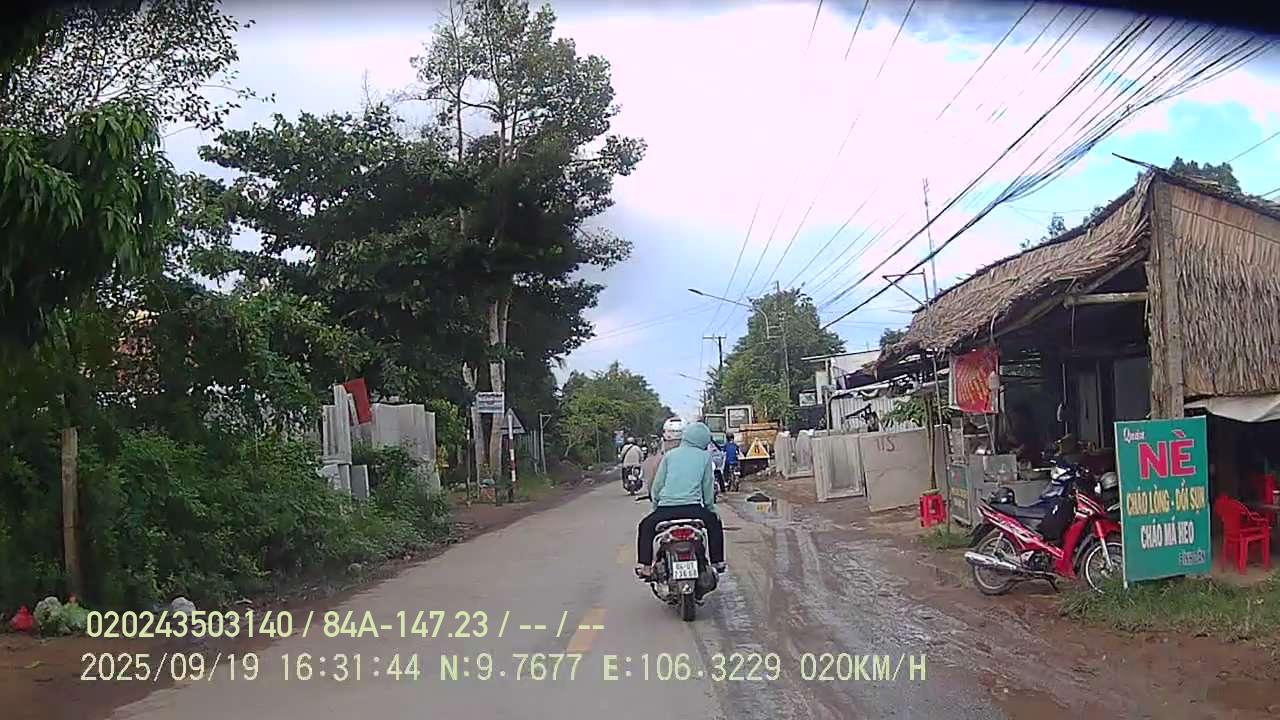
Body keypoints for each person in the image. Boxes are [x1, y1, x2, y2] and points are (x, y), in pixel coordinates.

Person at [636, 422, 726, 577]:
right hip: (693, 509)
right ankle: (717, 562)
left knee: (645, 526)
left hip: (666, 509)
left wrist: (655, 507)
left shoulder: (670, 455)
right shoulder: (705, 457)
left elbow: (657, 486)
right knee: (715, 524)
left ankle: (646, 567)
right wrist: (711, 509)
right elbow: (707, 488)